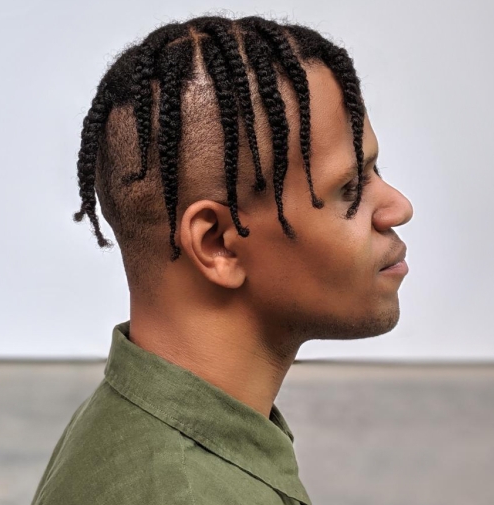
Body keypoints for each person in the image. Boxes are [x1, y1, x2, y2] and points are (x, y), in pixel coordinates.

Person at [31, 14, 413, 505]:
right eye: (350, 188)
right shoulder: (182, 491)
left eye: (375, 169)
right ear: (218, 244)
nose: (399, 206)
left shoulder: (142, 434)